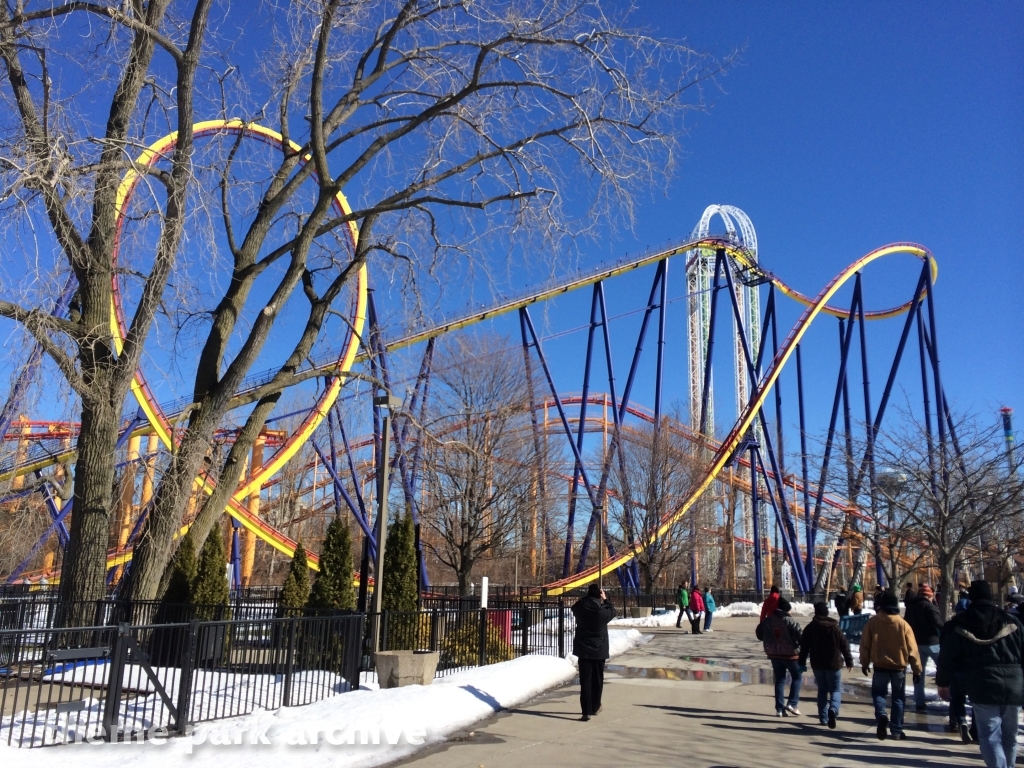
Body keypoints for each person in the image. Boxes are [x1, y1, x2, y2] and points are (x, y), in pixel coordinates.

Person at [936, 580, 1024, 768]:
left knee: (990, 735)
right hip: (1014, 682)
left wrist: (943, 682)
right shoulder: (1012, 621)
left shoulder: (959, 623)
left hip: (982, 683)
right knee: (1010, 735)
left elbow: (947, 656)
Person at [860, 589, 923, 741]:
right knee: (898, 699)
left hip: (880, 665)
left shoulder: (873, 622)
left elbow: (865, 644)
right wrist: (917, 670)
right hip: (898, 667)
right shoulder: (903, 624)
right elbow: (912, 649)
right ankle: (896, 730)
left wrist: (864, 662)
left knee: (879, 694)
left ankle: (881, 714)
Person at [800, 601, 854, 728]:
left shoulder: (810, 628)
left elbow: (804, 648)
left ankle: (823, 718)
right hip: (834, 663)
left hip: (818, 664)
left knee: (822, 691)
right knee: (835, 690)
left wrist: (801, 663)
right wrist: (849, 660)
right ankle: (833, 710)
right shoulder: (834, 627)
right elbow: (844, 645)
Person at [571, 583, 616, 722]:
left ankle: (586, 711)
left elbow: (575, 606)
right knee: (597, 680)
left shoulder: (580, 608)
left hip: (583, 649)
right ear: (599, 596)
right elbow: (613, 611)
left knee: (585, 681)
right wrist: (605, 599)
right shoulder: (601, 612)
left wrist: (588, 597)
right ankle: (595, 706)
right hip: (599, 649)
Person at [756, 595, 804, 717]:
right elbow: (800, 636)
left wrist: (768, 638)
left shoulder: (768, 620)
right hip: (791, 654)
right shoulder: (790, 621)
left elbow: (759, 633)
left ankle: (779, 708)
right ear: (786, 610)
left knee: (780, 680)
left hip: (774, 653)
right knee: (797, 677)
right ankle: (792, 703)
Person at [904, 583, 943, 712]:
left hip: (917, 643)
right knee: (943, 668)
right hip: (932, 642)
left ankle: (919, 701)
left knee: (918, 672)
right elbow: (938, 624)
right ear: (929, 596)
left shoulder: (911, 607)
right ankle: (950, 696)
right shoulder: (930, 607)